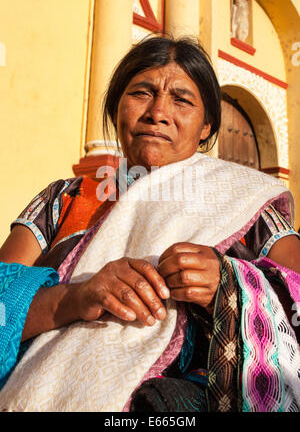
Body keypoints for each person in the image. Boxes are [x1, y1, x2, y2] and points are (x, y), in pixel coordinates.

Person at [0, 35, 299, 412]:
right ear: (116, 109)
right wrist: (76, 297)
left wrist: (230, 285)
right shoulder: (65, 200)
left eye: (182, 99)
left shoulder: (247, 206)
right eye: (142, 93)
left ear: (206, 126)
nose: (158, 112)